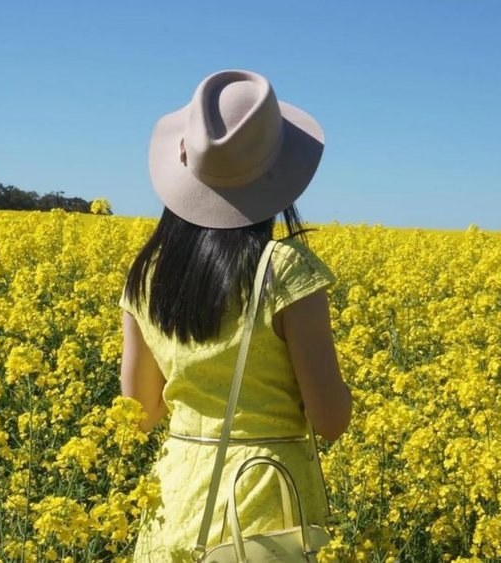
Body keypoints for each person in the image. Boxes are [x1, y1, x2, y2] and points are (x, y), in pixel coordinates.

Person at [118, 69, 352, 561]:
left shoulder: (146, 275)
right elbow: (331, 420)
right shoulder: (285, 270)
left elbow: (138, 414)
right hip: (266, 508)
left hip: (176, 503)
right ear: (279, 174)